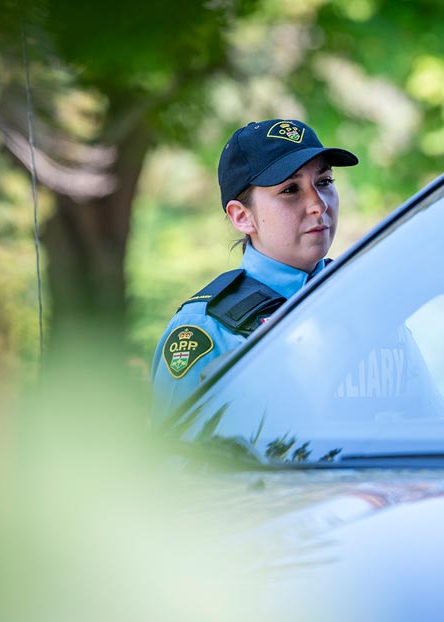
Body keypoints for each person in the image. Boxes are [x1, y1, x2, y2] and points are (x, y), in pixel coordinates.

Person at [150, 118, 359, 424]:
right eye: (290, 189)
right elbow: (174, 464)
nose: (318, 205)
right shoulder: (207, 331)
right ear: (242, 216)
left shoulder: (363, 297)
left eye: (324, 182)